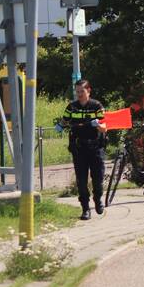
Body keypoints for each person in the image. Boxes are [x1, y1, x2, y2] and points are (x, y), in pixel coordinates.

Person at [61, 79, 107, 220]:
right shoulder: (72, 107)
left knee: (98, 178)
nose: (79, 94)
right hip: (79, 148)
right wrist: (60, 125)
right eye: (77, 91)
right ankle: (85, 209)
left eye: (82, 91)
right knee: (81, 180)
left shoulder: (96, 106)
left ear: (88, 91)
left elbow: (105, 127)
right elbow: (64, 121)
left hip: (95, 147)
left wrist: (98, 125)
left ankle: (98, 198)